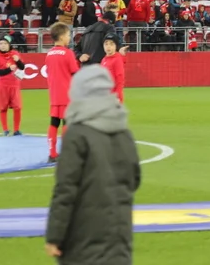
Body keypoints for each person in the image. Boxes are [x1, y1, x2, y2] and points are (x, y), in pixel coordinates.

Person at [44, 66, 140, 265]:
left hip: (83, 233)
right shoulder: (124, 133)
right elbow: (134, 179)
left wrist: (54, 236)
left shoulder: (77, 134)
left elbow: (65, 189)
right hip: (119, 230)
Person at [47, 24, 81, 164]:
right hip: (67, 94)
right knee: (67, 122)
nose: (69, 38)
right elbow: (74, 73)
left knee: (54, 123)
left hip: (54, 94)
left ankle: (52, 153)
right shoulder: (68, 53)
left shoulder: (49, 54)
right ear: (61, 37)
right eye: (68, 35)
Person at [0, 34, 25, 136]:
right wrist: (9, 69)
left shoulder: (15, 53)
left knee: (17, 107)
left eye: (5, 43)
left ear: (9, 44)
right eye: (1, 43)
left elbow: (22, 67)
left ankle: (16, 130)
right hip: (2, 85)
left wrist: (18, 60)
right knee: (3, 108)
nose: (3, 45)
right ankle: (5, 129)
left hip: (15, 85)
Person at [101, 34, 127, 104]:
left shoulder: (117, 59)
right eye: (106, 44)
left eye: (111, 44)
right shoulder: (104, 60)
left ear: (116, 46)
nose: (108, 46)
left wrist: (117, 96)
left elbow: (120, 78)